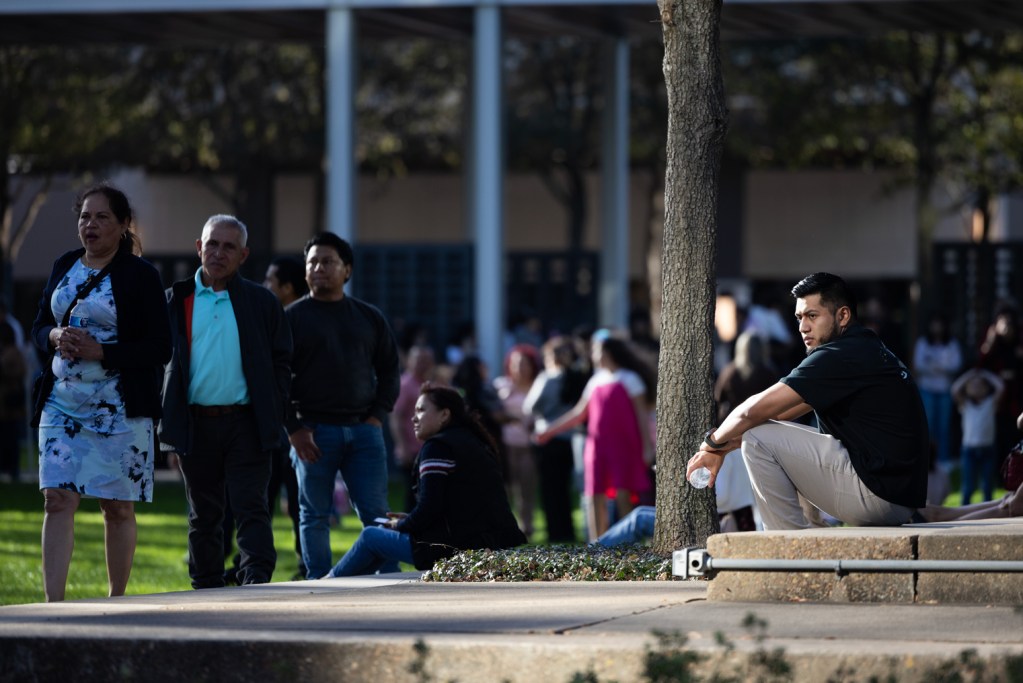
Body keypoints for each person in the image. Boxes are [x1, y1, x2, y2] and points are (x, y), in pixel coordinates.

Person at [688, 272, 929, 530]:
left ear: (843, 316)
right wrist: (726, 445)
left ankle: (787, 550)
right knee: (763, 434)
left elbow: (751, 411)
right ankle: (810, 533)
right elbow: (781, 413)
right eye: (799, 318)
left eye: (812, 316)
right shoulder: (863, 347)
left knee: (758, 438)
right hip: (894, 497)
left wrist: (710, 445)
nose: (803, 327)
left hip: (879, 496)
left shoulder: (839, 355)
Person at [31, 183, 171, 601]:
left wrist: (103, 351)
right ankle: (52, 604)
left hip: (120, 407)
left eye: (102, 217)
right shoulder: (64, 264)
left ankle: (117, 600)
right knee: (57, 498)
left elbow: (160, 347)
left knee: (116, 507)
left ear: (124, 224)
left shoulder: (141, 275)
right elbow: (38, 324)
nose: (90, 225)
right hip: (62, 401)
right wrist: (54, 335)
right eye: (84, 217)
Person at [160, 214, 292, 589]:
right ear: (199, 247)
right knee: (204, 514)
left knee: (252, 506)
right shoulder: (175, 299)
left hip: (246, 422)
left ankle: (255, 583)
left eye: (229, 246)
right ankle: (205, 586)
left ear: (243, 255)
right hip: (195, 424)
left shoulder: (262, 302)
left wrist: (274, 406)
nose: (218, 252)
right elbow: (158, 363)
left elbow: (283, 361)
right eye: (212, 244)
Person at [286, 232, 401, 580]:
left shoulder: (368, 317)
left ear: (346, 270)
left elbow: (389, 370)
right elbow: (273, 378)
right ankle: (319, 583)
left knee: (377, 514)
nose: (319, 268)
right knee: (314, 515)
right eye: (312, 263)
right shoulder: (291, 318)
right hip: (313, 433)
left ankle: (392, 580)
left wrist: (377, 417)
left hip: (364, 430)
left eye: (328, 261)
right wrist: (294, 428)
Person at [325, 384, 526, 577]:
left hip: (456, 550)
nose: (413, 418)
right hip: (492, 544)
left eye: (421, 410)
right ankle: (348, 585)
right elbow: (456, 507)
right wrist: (410, 520)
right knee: (380, 539)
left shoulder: (438, 446)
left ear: (444, 415)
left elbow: (431, 507)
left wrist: (400, 526)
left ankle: (328, 584)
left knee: (371, 536)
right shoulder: (474, 442)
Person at [536, 334, 655, 541]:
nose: (593, 355)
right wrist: (550, 430)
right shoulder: (595, 380)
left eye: (597, 350)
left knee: (622, 494)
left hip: (623, 447)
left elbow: (641, 415)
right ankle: (596, 545)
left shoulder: (630, 378)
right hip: (596, 447)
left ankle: (625, 542)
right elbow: (579, 413)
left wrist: (647, 446)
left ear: (608, 353)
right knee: (592, 494)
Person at [523, 336, 581, 543]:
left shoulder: (547, 378)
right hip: (567, 438)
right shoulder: (576, 376)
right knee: (564, 489)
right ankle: (567, 531)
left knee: (550, 490)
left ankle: (555, 532)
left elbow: (529, 407)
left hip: (547, 438)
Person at [493, 343, 542, 539]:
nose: (520, 368)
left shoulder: (538, 386)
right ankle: (506, 528)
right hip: (505, 445)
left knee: (527, 488)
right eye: (516, 364)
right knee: (506, 488)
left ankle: (527, 527)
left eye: (524, 364)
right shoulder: (500, 386)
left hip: (529, 445)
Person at [913, 312, 962, 469]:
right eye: (934, 324)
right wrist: (940, 367)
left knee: (944, 427)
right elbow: (918, 365)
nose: (937, 328)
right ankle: (927, 459)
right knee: (928, 426)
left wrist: (934, 366)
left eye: (940, 324)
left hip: (945, 391)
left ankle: (944, 460)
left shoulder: (952, 343)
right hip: (927, 389)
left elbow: (956, 364)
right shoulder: (923, 343)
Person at [391, 344, 436, 511]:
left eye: (426, 360)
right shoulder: (406, 385)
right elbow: (395, 417)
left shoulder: (431, 385)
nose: (423, 364)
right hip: (411, 450)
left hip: (427, 448)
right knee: (413, 495)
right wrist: (402, 446)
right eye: (419, 360)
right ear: (409, 362)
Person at [977, 303, 1023, 463]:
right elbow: (981, 364)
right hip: (996, 400)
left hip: (1016, 398)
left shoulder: (1019, 341)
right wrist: (990, 340)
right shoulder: (992, 341)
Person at [950, 367, 1004, 504]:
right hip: (969, 450)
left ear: (987, 388)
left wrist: (985, 373)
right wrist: (970, 374)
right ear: (967, 388)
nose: (977, 387)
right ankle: (963, 512)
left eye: (980, 385)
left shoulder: (990, 403)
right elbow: (955, 389)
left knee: (987, 486)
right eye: (973, 385)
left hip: (988, 449)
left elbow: (1000, 387)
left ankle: (988, 514)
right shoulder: (965, 404)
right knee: (968, 486)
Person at [0, 321, 26, 482]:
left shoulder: (12, 353)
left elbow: (18, 372)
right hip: (6, 404)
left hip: (9, 403)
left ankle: (12, 470)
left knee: (11, 437)